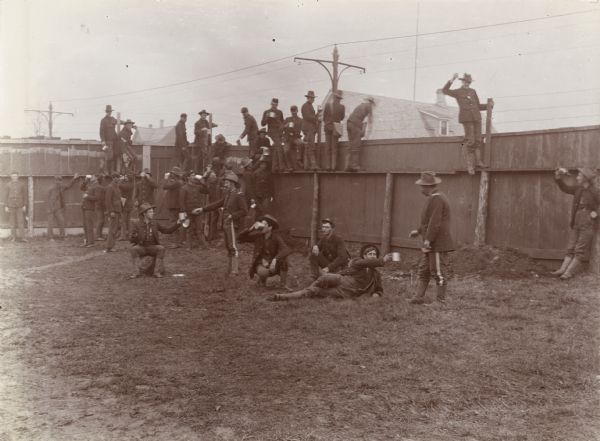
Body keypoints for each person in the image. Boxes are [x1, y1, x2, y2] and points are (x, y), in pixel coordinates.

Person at [272, 244, 391, 301]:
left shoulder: (376, 275)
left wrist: (376, 294)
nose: (372, 256)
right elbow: (367, 263)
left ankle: (281, 297)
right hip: (339, 279)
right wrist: (383, 260)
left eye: (374, 254)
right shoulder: (358, 262)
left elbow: (379, 289)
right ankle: (306, 290)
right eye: (370, 254)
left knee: (316, 292)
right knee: (325, 278)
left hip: (345, 292)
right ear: (364, 256)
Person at [408, 171, 455, 305]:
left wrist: (428, 240)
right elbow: (427, 222)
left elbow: (435, 222)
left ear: (429, 186)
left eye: (422, 186)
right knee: (424, 270)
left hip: (437, 243)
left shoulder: (437, 199)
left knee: (438, 272)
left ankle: (441, 301)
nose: (421, 189)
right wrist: (418, 231)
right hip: (431, 242)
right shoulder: (433, 198)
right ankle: (418, 297)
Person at [193, 171, 248, 275]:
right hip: (226, 223)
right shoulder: (228, 195)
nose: (225, 184)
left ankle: (234, 270)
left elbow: (244, 211)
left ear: (232, 183)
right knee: (228, 246)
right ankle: (230, 268)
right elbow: (217, 204)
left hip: (232, 223)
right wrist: (203, 209)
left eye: (227, 183)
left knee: (233, 246)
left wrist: (232, 216)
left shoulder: (238, 195)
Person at [551, 167, 600, 280]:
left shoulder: (595, 191)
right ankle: (562, 270)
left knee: (580, 249)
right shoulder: (578, 189)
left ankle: (568, 272)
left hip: (588, 221)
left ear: (585, 179)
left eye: (579, 176)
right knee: (571, 247)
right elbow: (565, 188)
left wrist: (596, 213)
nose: (577, 177)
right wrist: (558, 178)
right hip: (577, 219)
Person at [442, 73, 492, 175]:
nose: (466, 83)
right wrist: (452, 79)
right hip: (467, 119)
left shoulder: (473, 91)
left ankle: (478, 162)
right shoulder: (458, 92)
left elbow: (477, 105)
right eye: (465, 81)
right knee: (471, 140)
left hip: (476, 118)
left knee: (478, 139)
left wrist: (488, 106)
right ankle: (470, 166)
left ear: (469, 83)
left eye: (468, 82)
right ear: (462, 81)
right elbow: (445, 91)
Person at [129, 202, 182, 279]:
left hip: (153, 247)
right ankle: (136, 273)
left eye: (152, 212)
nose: (152, 213)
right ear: (144, 214)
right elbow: (131, 239)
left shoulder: (155, 223)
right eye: (150, 212)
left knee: (161, 248)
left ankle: (157, 272)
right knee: (134, 249)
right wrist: (134, 237)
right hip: (142, 247)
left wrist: (178, 223)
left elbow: (167, 230)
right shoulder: (137, 224)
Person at [238, 215, 292, 288]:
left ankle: (283, 285)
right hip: (260, 263)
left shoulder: (275, 237)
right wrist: (251, 229)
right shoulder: (257, 235)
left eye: (264, 224)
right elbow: (240, 239)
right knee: (263, 272)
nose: (262, 226)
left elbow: (286, 249)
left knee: (284, 259)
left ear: (270, 227)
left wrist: (275, 259)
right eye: (261, 223)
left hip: (272, 264)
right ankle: (262, 281)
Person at [179, 173, 209, 249]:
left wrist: (203, 183)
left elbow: (207, 191)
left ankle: (204, 246)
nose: (194, 177)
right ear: (188, 177)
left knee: (199, 229)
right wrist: (184, 212)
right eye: (192, 175)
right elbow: (181, 202)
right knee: (189, 229)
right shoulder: (184, 188)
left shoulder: (198, 187)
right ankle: (189, 246)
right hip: (189, 212)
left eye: (194, 175)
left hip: (198, 211)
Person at [346, 96, 375, 172]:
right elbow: (370, 120)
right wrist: (369, 131)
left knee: (351, 145)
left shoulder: (361, 105)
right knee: (356, 145)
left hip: (349, 123)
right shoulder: (369, 106)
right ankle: (354, 166)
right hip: (355, 125)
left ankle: (347, 166)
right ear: (371, 102)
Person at [47, 173, 79, 240]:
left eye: (60, 180)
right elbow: (48, 199)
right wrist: (50, 209)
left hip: (58, 208)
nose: (58, 182)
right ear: (55, 181)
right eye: (57, 180)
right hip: (51, 208)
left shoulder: (61, 187)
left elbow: (68, 185)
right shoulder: (51, 188)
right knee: (50, 223)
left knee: (61, 221)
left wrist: (74, 178)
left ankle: (62, 236)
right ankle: (50, 237)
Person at [162, 166, 186, 248]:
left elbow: (164, 186)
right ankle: (181, 241)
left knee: (174, 223)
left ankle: (176, 242)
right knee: (179, 223)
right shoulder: (179, 181)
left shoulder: (177, 182)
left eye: (172, 173)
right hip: (178, 205)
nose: (171, 175)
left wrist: (165, 178)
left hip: (174, 206)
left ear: (175, 174)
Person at [323, 90, 346, 171]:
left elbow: (324, 118)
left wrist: (328, 123)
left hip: (327, 128)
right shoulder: (342, 107)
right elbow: (342, 118)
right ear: (339, 98)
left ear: (333, 97)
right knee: (334, 148)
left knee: (328, 148)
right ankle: (333, 166)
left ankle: (328, 166)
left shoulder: (327, 105)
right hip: (335, 128)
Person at [261, 98, 284, 173]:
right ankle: (281, 166)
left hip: (278, 133)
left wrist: (277, 119)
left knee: (276, 149)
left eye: (275, 104)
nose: (274, 106)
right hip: (271, 133)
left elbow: (282, 124)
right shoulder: (267, 112)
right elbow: (263, 124)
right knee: (279, 147)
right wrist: (266, 117)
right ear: (271, 103)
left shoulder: (279, 112)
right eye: (273, 104)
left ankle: (274, 167)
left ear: (277, 104)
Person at [4, 172, 27, 242]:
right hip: (11, 206)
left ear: (18, 177)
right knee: (12, 222)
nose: (14, 177)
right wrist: (6, 206)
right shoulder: (8, 185)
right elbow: (5, 196)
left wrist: (24, 205)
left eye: (16, 176)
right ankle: (13, 237)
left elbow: (24, 195)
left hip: (20, 206)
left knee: (21, 222)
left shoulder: (22, 185)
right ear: (11, 177)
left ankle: (22, 237)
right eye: (13, 176)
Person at [104, 173, 123, 253]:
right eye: (117, 177)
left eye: (119, 177)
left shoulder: (116, 186)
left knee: (116, 228)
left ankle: (112, 246)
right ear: (113, 178)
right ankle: (109, 247)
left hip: (118, 210)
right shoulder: (110, 187)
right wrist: (111, 211)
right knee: (112, 229)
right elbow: (108, 200)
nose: (118, 179)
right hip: (114, 211)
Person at [301, 90, 319, 170]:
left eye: (313, 98)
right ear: (308, 98)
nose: (313, 99)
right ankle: (313, 165)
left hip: (310, 129)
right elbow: (308, 117)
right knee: (310, 147)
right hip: (309, 129)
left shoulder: (309, 106)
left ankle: (306, 165)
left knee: (308, 147)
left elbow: (310, 116)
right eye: (311, 98)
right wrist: (316, 118)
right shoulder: (305, 106)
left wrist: (317, 114)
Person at [283, 105, 303, 171]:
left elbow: (302, 129)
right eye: (292, 111)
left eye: (295, 111)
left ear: (297, 111)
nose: (294, 113)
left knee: (300, 143)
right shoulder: (287, 119)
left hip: (295, 137)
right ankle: (289, 166)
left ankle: (298, 159)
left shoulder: (300, 120)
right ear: (291, 111)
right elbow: (281, 128)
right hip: (288, 138)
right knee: (286, 150)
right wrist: (285, 126)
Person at [79, 175, 97, 247]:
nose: (90, 178)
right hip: (84, 207)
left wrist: (87, 196)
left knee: (89, 225)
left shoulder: (96, 186)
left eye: (92, 177)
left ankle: (91, 242)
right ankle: (86, 241)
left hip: (90, 208)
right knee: (85, 226)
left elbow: (97, 198)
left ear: (96, 178)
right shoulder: (89, 185)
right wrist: (85, 181)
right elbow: (81, 188)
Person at [99, 104, 118, 173]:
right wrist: (103, 142)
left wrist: (126, 123)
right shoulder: (103, 120)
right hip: (107, 142)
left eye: (110, 111)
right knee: (107, 157)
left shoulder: (113, 119)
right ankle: (106, 171)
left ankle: (111, 171)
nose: (109, 113)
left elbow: (119, 121)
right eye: (108, 111)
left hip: (114, 142)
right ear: (106, 112)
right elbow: (101, 132)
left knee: (113, 156)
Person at [118, 173, 134, 241]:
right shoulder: (131, 184)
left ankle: (123, 236)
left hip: (125, 204)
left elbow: (119, 185)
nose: (125, 178)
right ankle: (130, 235)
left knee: (123, 221)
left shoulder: (127, 185)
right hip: (129, 204)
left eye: (126, 176)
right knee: (128, 220)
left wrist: (121, 179)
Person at [92, 174, 107, 241]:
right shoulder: (99, 187)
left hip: (100, 206)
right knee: (100, 221)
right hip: (99, 206)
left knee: (101, 221)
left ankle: (99, 235)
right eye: (103, 179)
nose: (104, 180)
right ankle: (98, 236)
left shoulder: (99, 187)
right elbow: (99, 198)